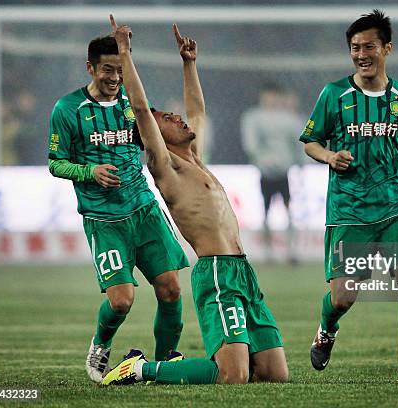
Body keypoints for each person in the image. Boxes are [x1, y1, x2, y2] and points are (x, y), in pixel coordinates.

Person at [101, 16, 288, 385]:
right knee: (232, 376)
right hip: (216, 273)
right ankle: (138, 368)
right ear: (156, 137)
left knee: (273, 374)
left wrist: (189, 65)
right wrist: (124, 54)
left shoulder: (195, 159)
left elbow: (198, 111)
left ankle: (161, 365)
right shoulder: (166, 168)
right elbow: (140, 111)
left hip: (242, 271)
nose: (178, 118)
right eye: (168, 119)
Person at [300, 10, 398, 379]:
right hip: (349, 210)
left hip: (395, 204)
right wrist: (330, 156)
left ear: (387, 48)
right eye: (354, 48)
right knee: (343, 298)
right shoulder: (334, 95)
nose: (361, 54)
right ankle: (326, 329)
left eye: (368, 47)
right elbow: (310, 143)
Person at [48, 33, 189, 383]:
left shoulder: (130, 100)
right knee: (121, 301)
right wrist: (89, 171)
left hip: (143, 208)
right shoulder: (67, 110)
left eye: (120, 70)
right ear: (90, 68)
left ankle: (164, 362)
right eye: (107, 70)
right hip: (103, 219)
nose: (114, 77)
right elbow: (55, 163)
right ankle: (101, 343)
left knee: (170, 289)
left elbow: (154, 135)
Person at [241, 84, 304, 263]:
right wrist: (260, 161)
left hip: (283, 171)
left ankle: (291, 252)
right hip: (265, 171)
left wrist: (299, 164)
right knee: (266, 211)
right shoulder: (254, 117)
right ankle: (268, 253)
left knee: (288, 210)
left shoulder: (288, 119)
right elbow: (250, 143)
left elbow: (297, 142)